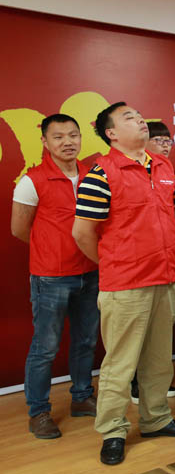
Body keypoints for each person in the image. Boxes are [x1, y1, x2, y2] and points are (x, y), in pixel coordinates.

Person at [72, 102, 175, 466]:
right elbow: (82, 233)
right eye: (129, 118)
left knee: (159, 359)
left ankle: (156, 419)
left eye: (140, 116)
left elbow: (173, 216)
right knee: (120, 363)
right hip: (125, 283)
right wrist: (113, 262)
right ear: (111, 133)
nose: (140, 120)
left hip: (165, 277)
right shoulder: (101, 173)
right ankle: (112, 431)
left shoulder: (163, 167)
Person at [12, 114, 99, 439]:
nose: (68, 142)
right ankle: (39, 412)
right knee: (45, 347)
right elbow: (20, 229)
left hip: (91, 271)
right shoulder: (32, 180)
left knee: (86, 340)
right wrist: (52, 248)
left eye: (73, 135)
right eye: (58, 137)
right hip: (50, 277)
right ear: (45, 142)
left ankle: (81, 397)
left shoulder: (93, 175)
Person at [132, 121, 175, 404]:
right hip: (133, 271)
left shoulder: (167, 172)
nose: (165, 145)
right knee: (135, 336)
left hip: (166, 267)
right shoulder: (113, 170)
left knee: (160, 338)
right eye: (158, 140)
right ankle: (135, 386)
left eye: (167, 140)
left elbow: (172, 213)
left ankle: (155, 402)